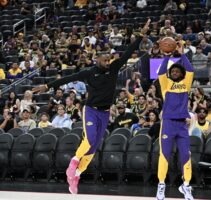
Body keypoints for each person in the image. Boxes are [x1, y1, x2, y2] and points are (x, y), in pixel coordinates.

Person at [32, 19, 151, 195]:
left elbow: (128, 52)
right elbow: (68, 78)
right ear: (97, 60)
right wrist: (48, 86)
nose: (108, 61)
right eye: (104, 60)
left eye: (109, 59)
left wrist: (141, 36)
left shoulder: (114, 67)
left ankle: (77, 175)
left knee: (94, 146)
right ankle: (73, 165)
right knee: (88, 140)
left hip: (104, 113)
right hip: (91, 110)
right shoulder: (89, 72)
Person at [156, 49, 194, 199]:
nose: (175, 72)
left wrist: (182, 55)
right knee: (164, 155)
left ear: (182, 74)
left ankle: (186, 186)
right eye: (173, 71)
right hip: (168, 124)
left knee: (186, 155)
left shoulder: (186, 84)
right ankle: (161, 185)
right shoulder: (166, 85)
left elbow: (190, 69)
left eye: (178, 71)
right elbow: (160, 72)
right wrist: (166, 57)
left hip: (182, 125)